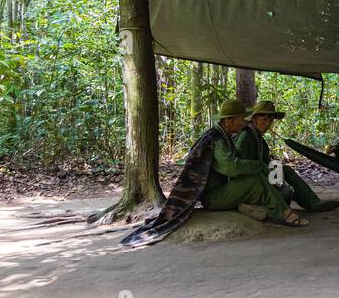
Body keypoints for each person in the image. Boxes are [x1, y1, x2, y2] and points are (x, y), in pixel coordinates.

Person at [120, 98, 306, 247]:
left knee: (258, 178)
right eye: (241, 119)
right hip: (214, 197)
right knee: (255, 180)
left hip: (222, 190)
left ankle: (274, 210)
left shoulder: (223, 136)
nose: (244, 122)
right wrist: (259, 166)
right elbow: (232, 168)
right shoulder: (217, 140)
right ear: (229, 121)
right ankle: (283, 214)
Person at [236, 100, 339, 213]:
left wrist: (276, 177)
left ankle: (312, 202)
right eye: (264, 119)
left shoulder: (259, 138)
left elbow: (267, 163)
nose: (267, 124)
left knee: (285, 170)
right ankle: (298, 200)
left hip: (261, 174)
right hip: (250, 179)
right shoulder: (245, 137)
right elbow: (240, 166)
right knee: (284, 188)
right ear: (254, 119)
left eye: (270, 120)